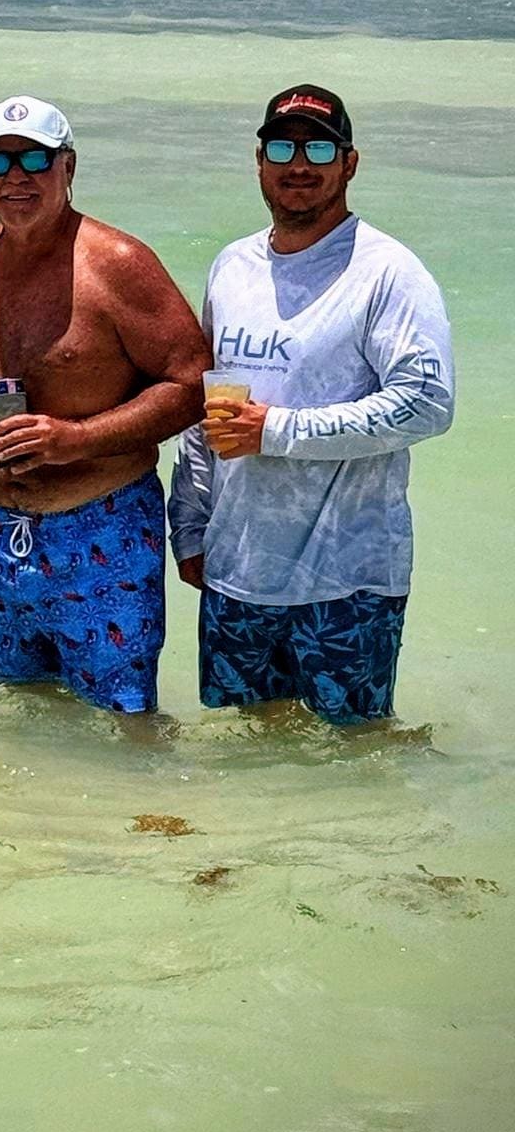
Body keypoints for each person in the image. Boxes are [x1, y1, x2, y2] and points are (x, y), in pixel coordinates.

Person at [168, 85, 454, 725]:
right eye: (283, 146)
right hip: (237, 569)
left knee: (359, 756)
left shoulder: (387, 271)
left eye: (320, 146)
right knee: (256, 754)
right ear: (260, 159)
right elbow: (203, 406)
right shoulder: (231, 265)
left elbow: (428, 402)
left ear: (349, 163)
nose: (300, 163)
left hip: (348, 580)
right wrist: (188, 527)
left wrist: (278, 430)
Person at [0, 97, 208, 716]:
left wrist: (76, 439)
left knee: (123, 718)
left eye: (36, 159)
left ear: (69, 167)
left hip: (99, 527)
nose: (17, 177)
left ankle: (147, 813)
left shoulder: (117, 263)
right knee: (9, 713)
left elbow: (192, 384)